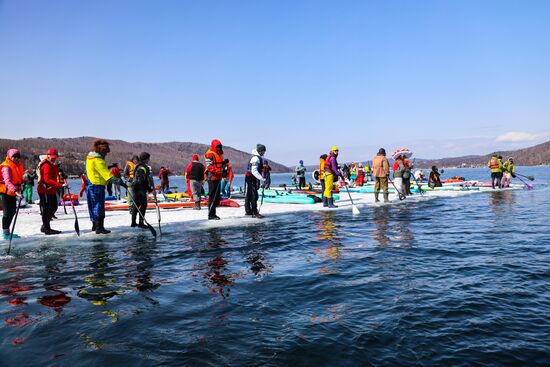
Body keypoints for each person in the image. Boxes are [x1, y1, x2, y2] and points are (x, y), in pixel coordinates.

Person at [86, 139, 126, 234]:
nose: (106, 154)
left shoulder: (90, 158)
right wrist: (123, 183)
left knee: (93, 205)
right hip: (97, 185)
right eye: (106, 152)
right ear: (101, 151)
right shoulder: (98, 160)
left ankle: (95, 225)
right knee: (99, 206)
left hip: (91, 185)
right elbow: (108, 176)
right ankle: (99, 227)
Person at [37, 148, 64, 235]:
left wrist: (57, 167)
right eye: (52, 157)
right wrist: (60, 185)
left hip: (51, 190)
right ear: (47, 156)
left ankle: (45, 226)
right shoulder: (46, 165)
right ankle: (46, 228)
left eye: (55, 157)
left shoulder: (51, 164)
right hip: (44, 190)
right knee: (46, 209)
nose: (53, 158)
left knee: (53, 207)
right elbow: (47, 180)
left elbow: (53, 174)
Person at [0, 149, 24, 240]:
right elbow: (7, 182)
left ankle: (7, 232)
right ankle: (6, 233)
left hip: (13, 192)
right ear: (9, 156)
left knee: (12, 212)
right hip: (5, 192)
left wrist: (23, 183)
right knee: (7, 213)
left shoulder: (17, 166)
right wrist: (16, 191)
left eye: (18, 157)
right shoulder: (6, 167)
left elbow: (17, 179)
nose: (16, 158)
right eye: (14, 156)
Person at [204, 139, 226, 220]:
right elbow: (209, 166)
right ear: (214, 147)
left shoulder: (219, 153)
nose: (219, 149)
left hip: (218, 176)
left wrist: (224, 163)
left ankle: (213, 213)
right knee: (212, 196)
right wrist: (218, 171)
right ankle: (211, 215)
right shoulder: (209, 154)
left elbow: (219, 164)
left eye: (220, 147)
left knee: (216, 197)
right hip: (212, 176)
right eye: (217, 147)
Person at [131, 152, 154, 228]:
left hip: (135, 187)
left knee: (136, 205)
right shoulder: (142, 167)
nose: (149, 160)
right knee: (143, 205)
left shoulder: (138, 165)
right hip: (139, 188)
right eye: (148, 158)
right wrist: (149, 188)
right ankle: (140, 223)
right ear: (145, 159)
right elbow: (142, 180)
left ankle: (133, 222)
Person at [245, 144, 267, 218]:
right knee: (254, 195)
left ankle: (248, 211)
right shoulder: (256, 159)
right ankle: (254, 212)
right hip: (251, 177)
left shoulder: (256, 157)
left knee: (249, 194)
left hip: (249, 177)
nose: (264, 153)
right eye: (263, 151)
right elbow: (254, 171)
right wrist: (262, 179)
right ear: (260, 151)